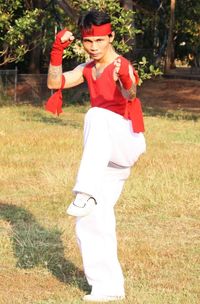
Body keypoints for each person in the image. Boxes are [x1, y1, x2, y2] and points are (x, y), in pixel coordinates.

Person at [46, 9, 146, 302]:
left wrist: (126, 79)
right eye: (89, 41)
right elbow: (55, 83)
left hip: (127, 139)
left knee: (96, 115)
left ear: (111, 37)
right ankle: (107, 287)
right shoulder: (87, 67)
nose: (94, 47)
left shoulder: (120, 64)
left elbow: (130, 94)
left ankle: (84, 190)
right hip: (107, 158)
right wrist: (56, 51)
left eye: (100, 40)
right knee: (90, 219)